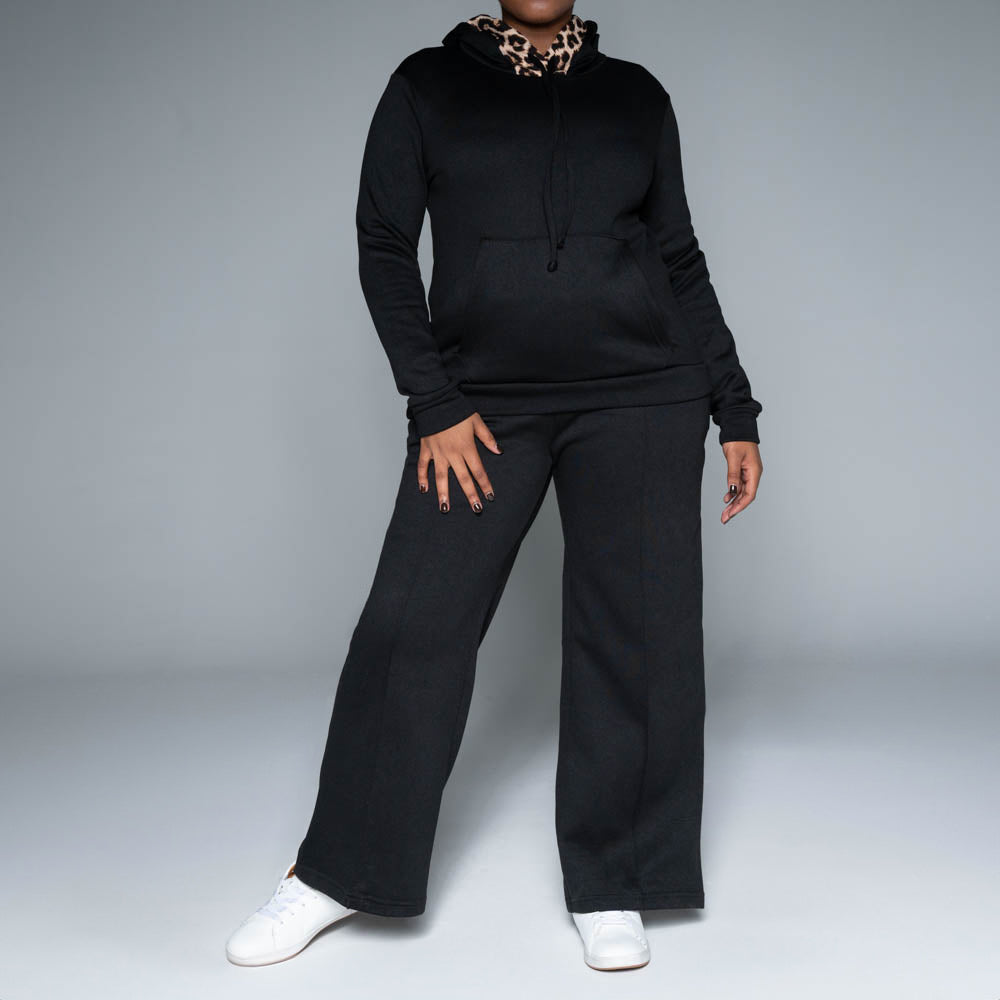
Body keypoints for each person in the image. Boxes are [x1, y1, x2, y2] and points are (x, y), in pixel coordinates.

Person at [226, 1, 763, 973]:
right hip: (481, 407)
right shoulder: (426, 88)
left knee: (637, 635)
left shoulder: (637, 98)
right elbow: (384, 242)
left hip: (641, 396)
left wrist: (734, 405)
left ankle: (615, 877)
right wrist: (433, 399)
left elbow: (678, 257)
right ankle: (336, 871)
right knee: (412, 626)